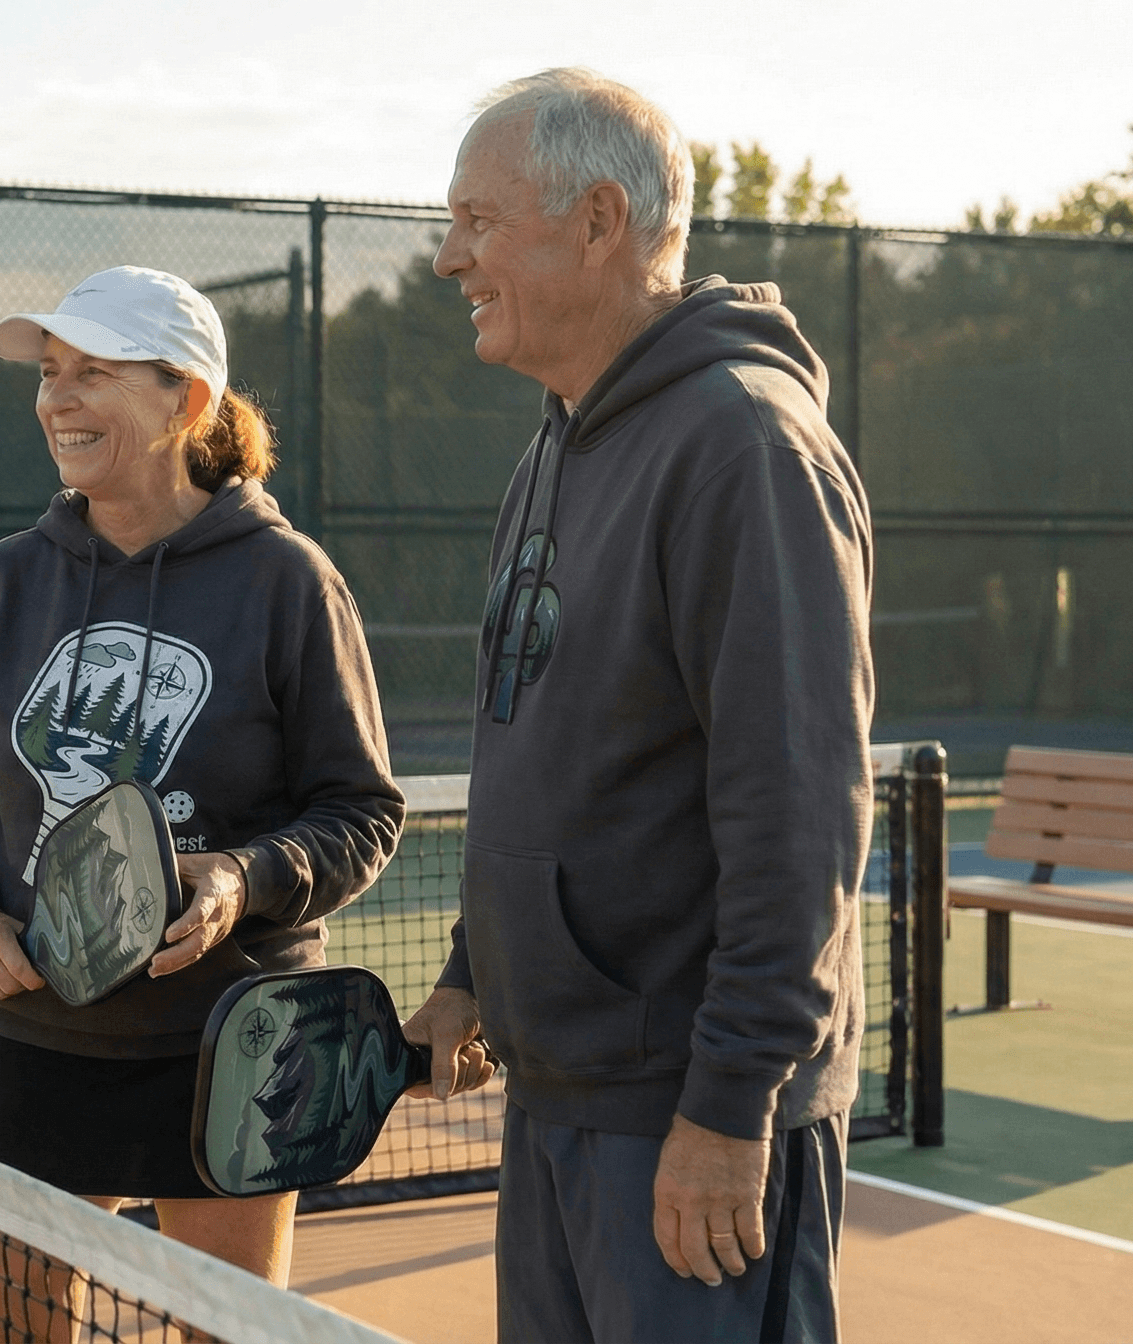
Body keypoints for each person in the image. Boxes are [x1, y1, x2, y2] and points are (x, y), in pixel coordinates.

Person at [396, 69, 875, 1343]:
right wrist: (469, 977)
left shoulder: (746, 448)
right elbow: (544, 750)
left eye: (479, 223)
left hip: (685, 1114)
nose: (451, 259)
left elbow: (799, 811)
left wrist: (729, 1105)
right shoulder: (558, 441)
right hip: (562, 1094)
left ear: (600, 220)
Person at [0, 265, 407, 1335]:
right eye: (48, 374)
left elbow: (361, 812)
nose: (57, 400)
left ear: (185, 400)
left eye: (93, 372)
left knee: (224, 1329)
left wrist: (241, 877)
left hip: (236, 1041)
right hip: (41, 1038)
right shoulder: (4, 583)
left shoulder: (288, 582)